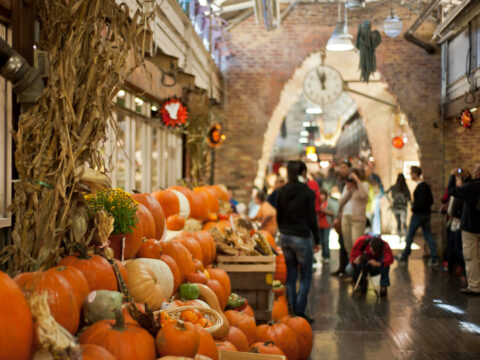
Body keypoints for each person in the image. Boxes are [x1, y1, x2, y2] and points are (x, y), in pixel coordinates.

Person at [277, 160, 320, 323]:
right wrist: (317, 239)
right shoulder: (307, 192)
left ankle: (290, 310)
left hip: (286, 237)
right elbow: (311, 218)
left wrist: (283, 230)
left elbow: (279, 216)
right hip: (301, 236)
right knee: (306, 275)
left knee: (291, 275)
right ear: (303, 173)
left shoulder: (282, 191)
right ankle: (300, 312)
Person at [447, 165, 480, 294]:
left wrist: (452, 174)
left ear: (477, 173)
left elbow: (452, 190)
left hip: (471, 227)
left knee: (471, 257)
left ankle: (475, 286)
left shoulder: (472, 187)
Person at [397, 166, 438, 266]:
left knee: (410, 235)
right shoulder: (426, 186)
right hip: (426, 214)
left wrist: (414, 208)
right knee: (428, 235)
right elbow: (431, 201)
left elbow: (421, 203)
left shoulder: (420, 187)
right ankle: (434, 257)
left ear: (415, 174)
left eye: (411, 173)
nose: (410, 175)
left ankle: (404, 256)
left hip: (419, 214)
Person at [337, 168, 369, 257]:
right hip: (345, 217)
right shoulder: (347, 187)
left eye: (353, 176)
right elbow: (340, 202)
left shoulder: (364, 185)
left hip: (357, 219)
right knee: (347, 245)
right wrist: (348, 190)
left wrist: (357, 182)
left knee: (357, 244)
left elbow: (364, 195)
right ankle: (352, 265)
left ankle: (357, 265)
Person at [445, 170, 470, 281]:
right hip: (454, 223)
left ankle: (463, 271)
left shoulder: (463, 192)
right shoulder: (458, 192)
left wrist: (451, 175)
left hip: (459, 223)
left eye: (457, 179)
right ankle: (452, 266)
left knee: (460, 249)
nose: (456, 181)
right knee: (453, 247)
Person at [331, 159, 352, 276]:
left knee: (348, 243)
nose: (342, 170)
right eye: (341, 167)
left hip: (350, 215)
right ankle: (342, 267)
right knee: (342, 241)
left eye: (344, 167)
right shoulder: (340, 180)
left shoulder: (351, 181)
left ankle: (348, 269)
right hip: (342, 214)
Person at [318, 188, 336, 263]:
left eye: (323, 195)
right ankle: (323, 256)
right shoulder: (318, 203)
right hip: (319, 224)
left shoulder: (328, 203)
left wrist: (324, 211)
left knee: (326, 241)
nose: (322, 196)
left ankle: (327, 256)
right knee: (322, 241)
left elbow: (333, 213)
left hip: (326, 224)